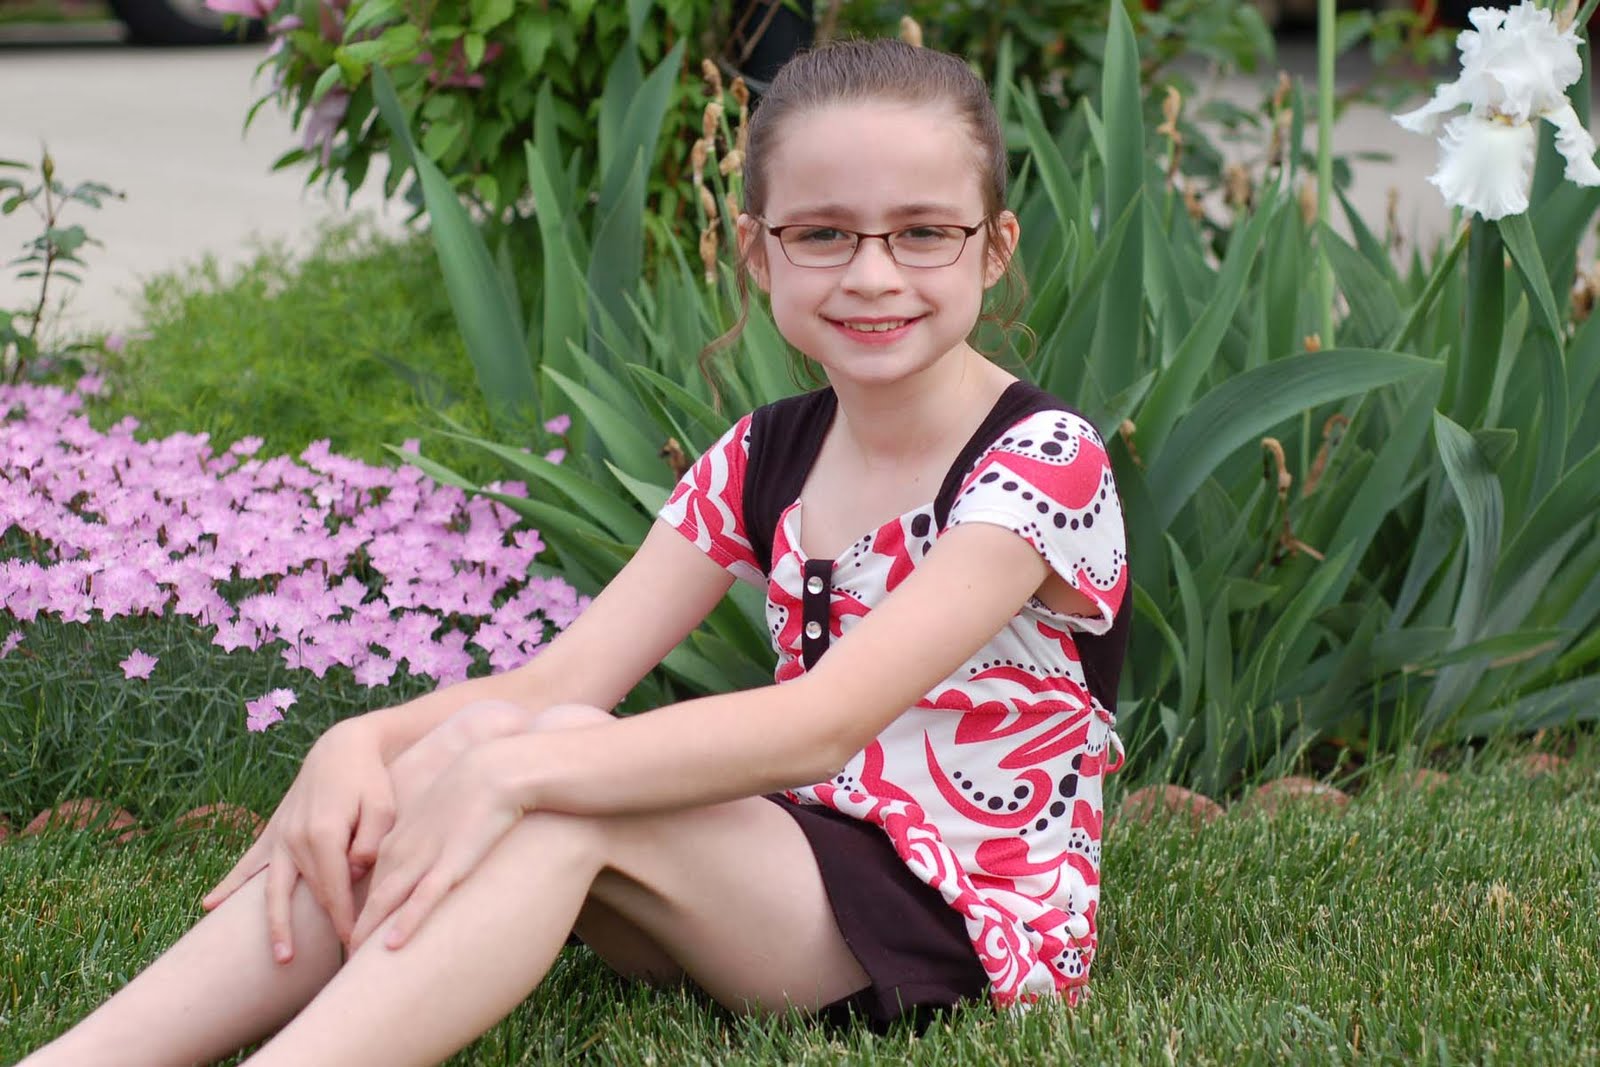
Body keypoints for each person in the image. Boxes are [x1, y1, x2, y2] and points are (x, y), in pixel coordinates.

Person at [21, 36, 1128, 1067]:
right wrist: (358, 741)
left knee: (543, 784)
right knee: (498, 738)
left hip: (959, 922)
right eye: (823, 233)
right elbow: (560, 681)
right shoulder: (763, 456)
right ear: (757, 251)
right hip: (777, 874)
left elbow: (819, 723)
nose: (873, 274)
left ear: (994, 247)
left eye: (923, 232)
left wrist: (515, 767)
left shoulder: (1040, 462)